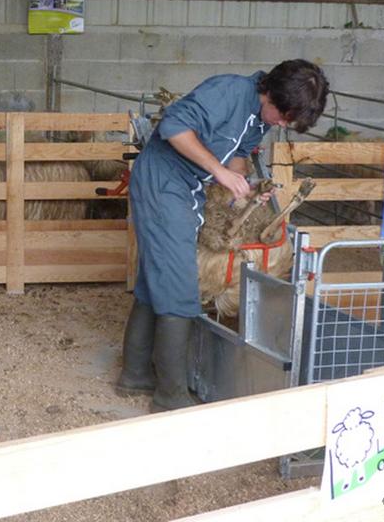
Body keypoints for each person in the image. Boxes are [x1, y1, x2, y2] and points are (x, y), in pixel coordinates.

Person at [117, 59, 329, 411]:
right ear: (270, 93)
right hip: (163, 184)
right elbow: (173, 127)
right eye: (285, 116)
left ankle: (136, 374)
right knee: (181, 285)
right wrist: (218, 172)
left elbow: (239, 154)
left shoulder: (259, 116)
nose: (284, 124)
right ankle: (170, 396)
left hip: (188, 189)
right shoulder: (227, 92)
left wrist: (243, 188)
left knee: (157, 276)